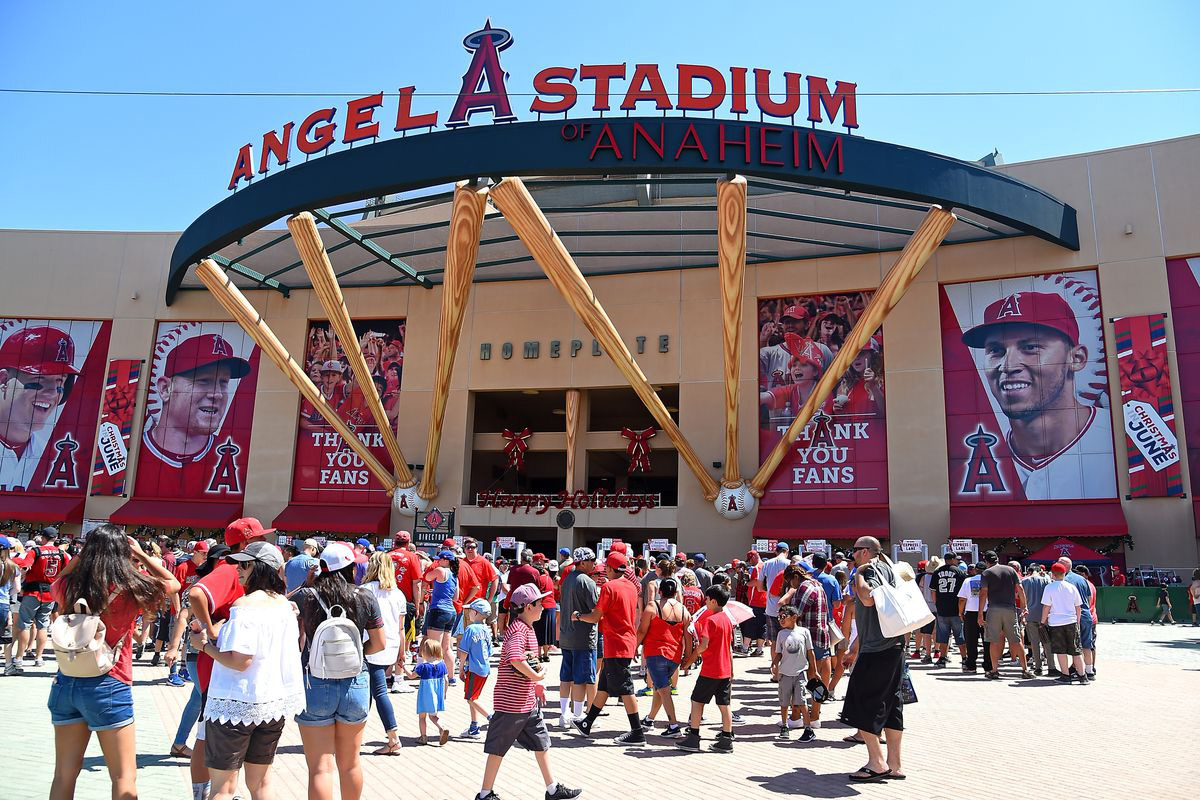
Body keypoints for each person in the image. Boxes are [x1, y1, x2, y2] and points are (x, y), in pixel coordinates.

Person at [47, 525, 179, 800]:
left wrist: (83, 555)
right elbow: (173, 583)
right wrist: (141, 554)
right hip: (109, 682)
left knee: (63, 774)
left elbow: (56, 581)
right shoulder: (132, 587)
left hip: (66, 680)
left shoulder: (69, 587)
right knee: (123, 776)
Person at [960, 290, 1114, 499]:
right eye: (996, 350)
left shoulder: (1117, 440)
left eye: (1030, 347)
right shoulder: (973, 455)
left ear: (1076, 358)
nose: (1008, 366)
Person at [193, 541, 303, 800]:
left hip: (236, 701)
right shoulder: (285, 607)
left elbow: (240, 661)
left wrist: (204, 647)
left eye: (245, 564)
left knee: (223, 787)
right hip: (272, 703)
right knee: (262, 783)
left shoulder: (244, 606)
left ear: (261, 568)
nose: (238, 570)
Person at [293, 542, 386, 800]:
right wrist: (355, 654)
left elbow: (284, 603)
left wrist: (306, 583)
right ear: (350, 568)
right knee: (350, 763)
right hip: (356, 681)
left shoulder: (308, 597)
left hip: (315, 681)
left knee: (320, 768)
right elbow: (379, 643)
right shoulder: (364, 596)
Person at [476, 582, 580, 800]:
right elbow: (515, 659)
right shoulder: (518, 631)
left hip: (526, 703)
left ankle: (552, 789)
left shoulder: (527, 628)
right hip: (511, 703)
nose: (543, 606)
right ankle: (485, 794)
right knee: (498, 748)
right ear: (527, 606)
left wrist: (536, 685)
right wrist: (536, 677)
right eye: (539, 603)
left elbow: (528, 661)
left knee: (541, 742)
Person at [840, 536, 905, 782]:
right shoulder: (890, 569)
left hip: (878, 650)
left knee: (863, 702)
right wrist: (856, 646)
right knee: (892, 705)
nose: (853, 555)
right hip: (892, 646)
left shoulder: (869, 570)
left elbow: (867, 598)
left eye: (855, 551)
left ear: (865, 552)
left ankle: (876, 762)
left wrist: (858, 574)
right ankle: (895, 764)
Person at [572, 551, 645, 746]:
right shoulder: (631, 586)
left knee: (626, 688)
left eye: (606, 568)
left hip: (616, 643)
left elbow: (595, 617)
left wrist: (578, 616)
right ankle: (587, 723)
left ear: (611, 569)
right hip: (626, 641)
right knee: (604, 685)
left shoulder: (608, 587)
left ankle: (637, 732)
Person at [676, 584, 737, 753]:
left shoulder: (710, 620)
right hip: (724, 668)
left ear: (714, 601)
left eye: (707, 599)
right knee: (725, 705)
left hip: (710, 669)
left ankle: (694, 738)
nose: (705, 602)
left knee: (697, 702)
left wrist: (689, 659)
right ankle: (726, 738)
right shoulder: (726, 619)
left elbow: (703, 646)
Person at [361, 551, 406, 755]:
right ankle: (359, 734)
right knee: (372, 691)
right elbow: (401, 628)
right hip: (391, 646)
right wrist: (402, 653)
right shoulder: (398, 594)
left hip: (368, 646)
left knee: (376, 692)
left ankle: (393, 738)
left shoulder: (364, 590)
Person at [637, 576, 691, 736]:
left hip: (655, 654)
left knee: (663, 690)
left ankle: (674, 726)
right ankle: (649, 719)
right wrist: (687, 658)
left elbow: (641, 630)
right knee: (660, 688)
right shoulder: (684, 611)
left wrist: (634, 647)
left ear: (660, 592)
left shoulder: (652, 607)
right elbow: (688, 636)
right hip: (674, 655)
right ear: (675, 593)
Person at [12, 527, 68, 670]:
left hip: (33, 591)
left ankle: (19, 657)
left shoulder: (35, 551)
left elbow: (25, 567)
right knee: (42, 626)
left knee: (24, 624)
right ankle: (39, 657)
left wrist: (22, 579)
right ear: (55, 539)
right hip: (51, 593)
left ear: (43, 538)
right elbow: (67, 573)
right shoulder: (62, 554)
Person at [556, 547, 598, 728]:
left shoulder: (568, 580)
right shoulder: (586, 582)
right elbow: (596, 611)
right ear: (582, 562)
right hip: (583, 637)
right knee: (582, 678)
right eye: (591, 560)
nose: (594, 564)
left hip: (567, 635)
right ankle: (578, 716)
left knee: (566, 677)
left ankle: (564, 714)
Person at [977, 550, 1032, 679]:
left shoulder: (986, 573)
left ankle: (994, 670)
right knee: (1016, 639)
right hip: (1010, 609)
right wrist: (1024, 606)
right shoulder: (1010, 570)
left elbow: (983, 593)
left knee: (993, 640)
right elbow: (1020, 588)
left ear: (986, 561)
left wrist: (980, 613)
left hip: (994, 609)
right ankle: (1025, 670)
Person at [771, 604, 818, 742]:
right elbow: (779, 653)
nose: (780, 619)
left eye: (783, 617)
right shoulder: (781, 634)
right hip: (785, 673)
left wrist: (814, 671)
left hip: (800, 673)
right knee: (784, 701)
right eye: (779, 617)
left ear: (794, 617)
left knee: (801, 701)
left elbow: (810, 652)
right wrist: (774, 663)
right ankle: (784, 726)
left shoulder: (804, 632)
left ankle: (808, 728)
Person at [1042, 562, 1088, 684]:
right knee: (1076, 650)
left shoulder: (1049, 588)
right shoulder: (1071, 587)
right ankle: (1082, 676)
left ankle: (1065, 675)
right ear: (1064, 573)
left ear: (1053, 574)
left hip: (1056, 623)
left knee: (1060, 651)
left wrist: (1043, 621)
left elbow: (1047, 606)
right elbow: (1078, 607)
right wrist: (1077, 621)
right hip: (1071, 622)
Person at [421, 549, 459, 681]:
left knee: (433, 646)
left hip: (438, 610)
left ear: (446, 561)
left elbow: (426, 577)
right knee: (447, 647)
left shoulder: (440, 570)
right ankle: (451, 676)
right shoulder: (454, 575)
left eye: (440, 559)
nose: (437, 561)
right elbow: (455, 597)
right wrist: (437, 592)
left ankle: (434, 676)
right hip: (450, 611)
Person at [459, 598, 493, 738]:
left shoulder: (471, 629)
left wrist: (460, 668)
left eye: (471, 611)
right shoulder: (487, 629)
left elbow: (464, 652)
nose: (469, 614)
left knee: (471, 698)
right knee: (473, 696)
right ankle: (474, 726)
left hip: (473, 669)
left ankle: (492, 718)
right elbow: (490, 651)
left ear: (476, 612)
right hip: (484, 668)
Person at [406, 639, 450, 746]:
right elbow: (446, 681)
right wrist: (444, 693)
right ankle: (441, 728)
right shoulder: (442, 665)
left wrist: (403, 667)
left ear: (425, 652)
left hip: (425, 695)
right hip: (437, 694)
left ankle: (423, 737)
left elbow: (411, 676)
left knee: (422, 717)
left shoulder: (423, 666)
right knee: (433, 716)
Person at [930, 554, 966, 668]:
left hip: (942, 608)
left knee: (943, 635)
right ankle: (964, 659)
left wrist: (937, 604)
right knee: (960, 635)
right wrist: (962, 609)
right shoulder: (959, 572)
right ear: (953, 559)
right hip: (956, 609)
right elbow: (963, 593)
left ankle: (942, 658)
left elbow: (933, 591)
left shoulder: (937, 572)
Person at [958, 561, 992, 675]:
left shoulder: (968, 581)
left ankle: (971, 664)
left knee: (971, 640)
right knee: (987, 640)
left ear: (976, 570)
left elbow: (962, 599)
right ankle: (988, 665)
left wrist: (960, 612)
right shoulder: (990, 580)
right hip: (987, 612)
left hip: (971, 612)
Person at [1020, 564, 1051, 674]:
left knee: (1034, 642)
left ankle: (1038, 667)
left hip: (1030, 615)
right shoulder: (1046, 581)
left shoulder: (1024, 581)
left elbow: (1020, 598)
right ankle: (1051, 666)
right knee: (1047, 641)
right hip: (1044, 615)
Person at [0, 536, 18, 672]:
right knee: (6, 635)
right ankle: (8, 666)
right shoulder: (12, 566)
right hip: (3, 604)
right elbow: (16, 589)